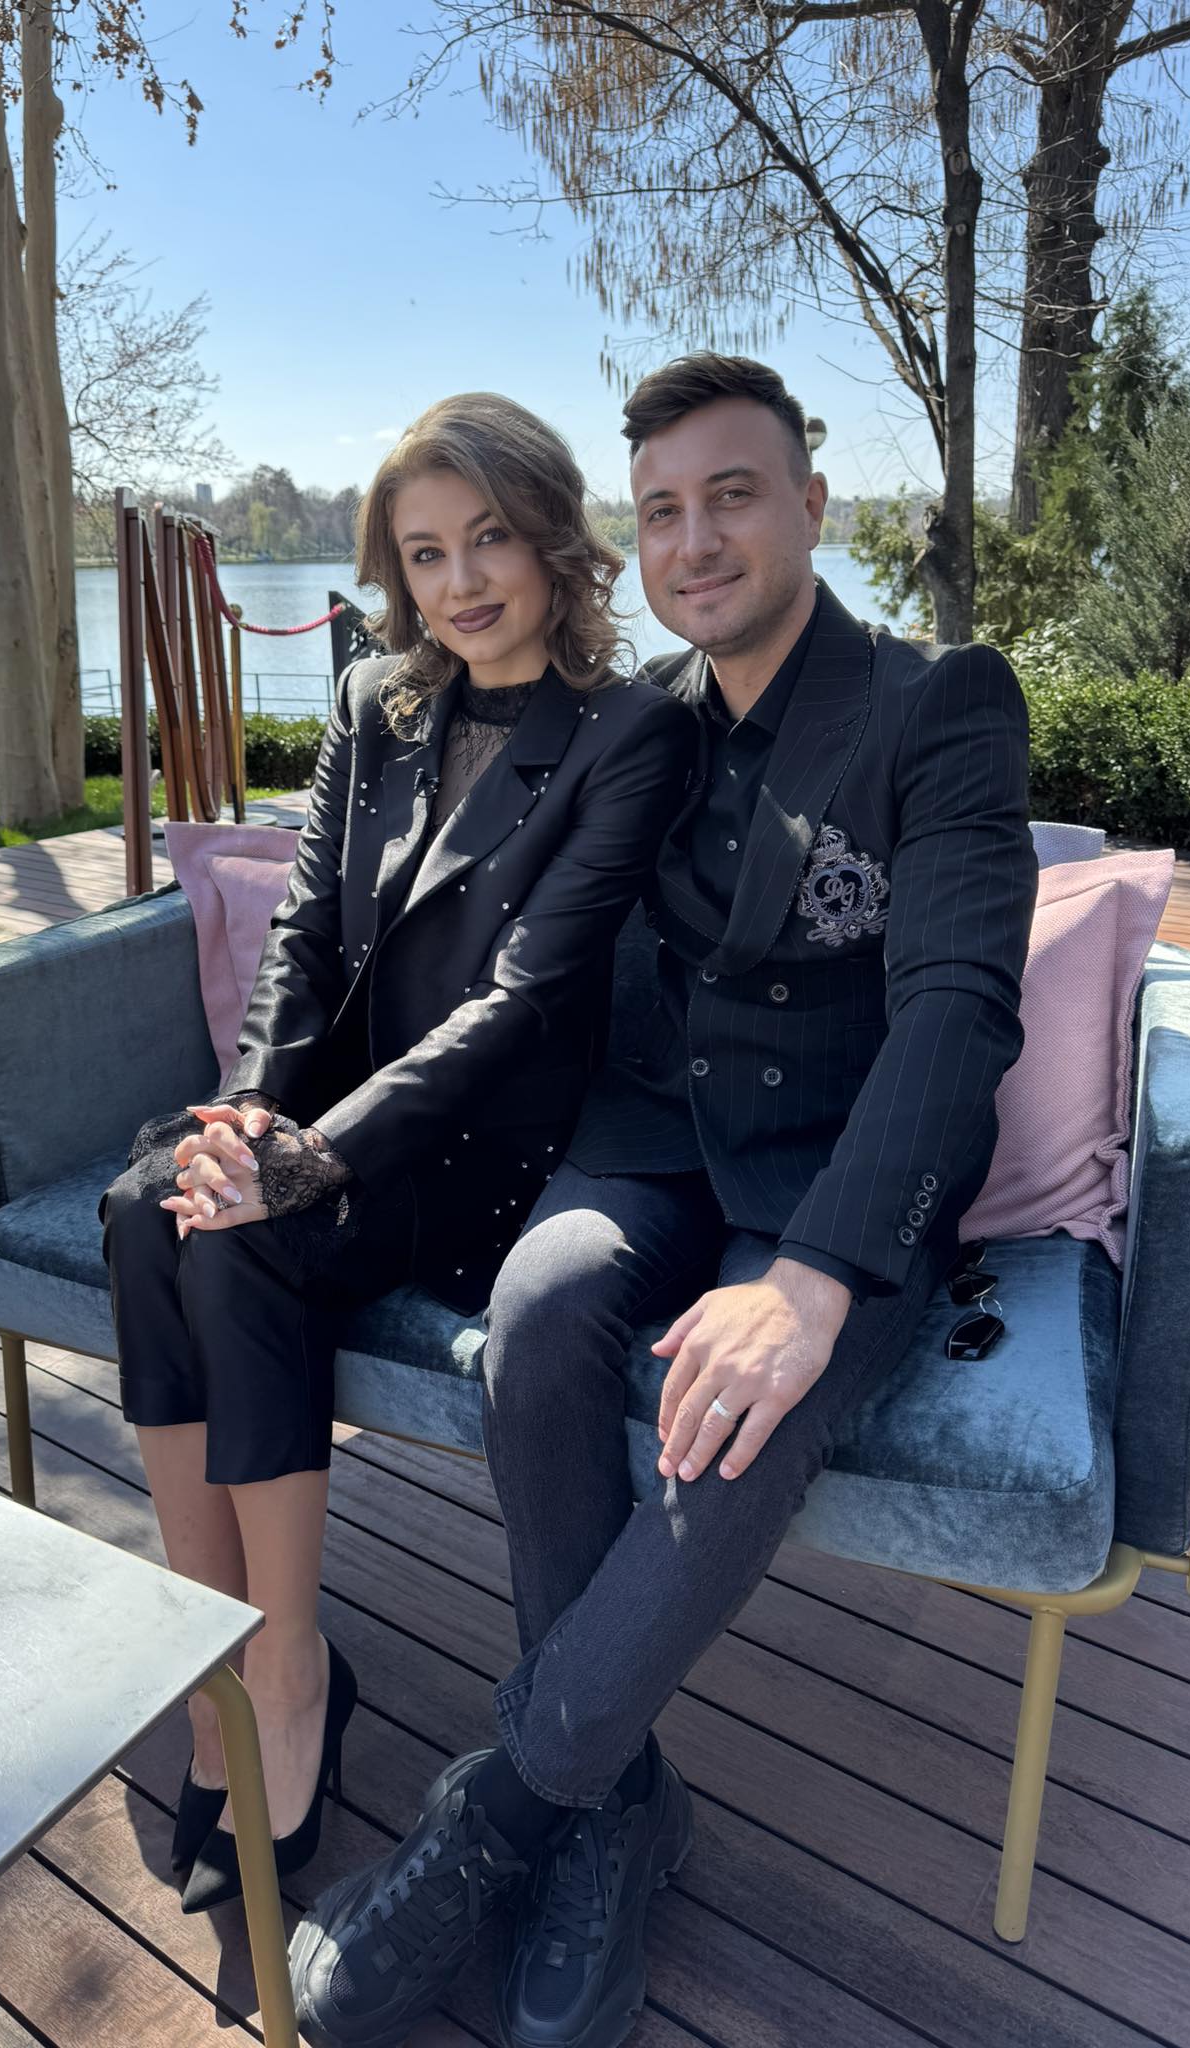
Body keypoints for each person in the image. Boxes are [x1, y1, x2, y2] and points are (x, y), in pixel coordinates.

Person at [289, 354, 1037, 2048]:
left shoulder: (936, 704)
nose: (695, 541)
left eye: (733, 496)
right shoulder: (640, 722)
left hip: (834, 1182)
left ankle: (503, 1820)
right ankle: (620, 1804)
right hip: (642, 1147)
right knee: (540, 1315)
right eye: (664, 512)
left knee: (743, 1406)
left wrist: (818, 1280)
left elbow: (957, 1008)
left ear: (812, 509)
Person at [99, 391, 696, 1915]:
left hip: (481, 1156)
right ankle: (214, 1657)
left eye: (489, 538)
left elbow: (525, 1000)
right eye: (425, 553)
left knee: (241, 1237)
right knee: (143, 1208)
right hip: (326, 1116)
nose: (460, 582)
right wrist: (244, 1116)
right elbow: (303, 937)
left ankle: (291, 1672)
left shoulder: (631, 732)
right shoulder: (377, 703)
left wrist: (305, 1163)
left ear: (554, 540)